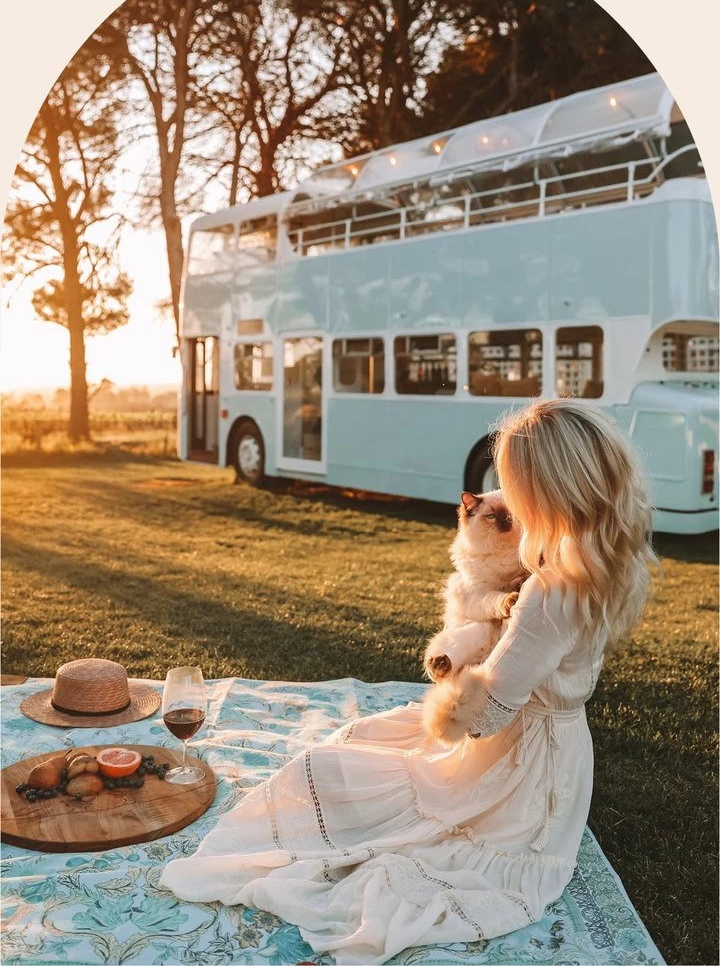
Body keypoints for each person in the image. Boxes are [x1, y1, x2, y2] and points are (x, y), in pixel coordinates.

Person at [160, 399, 657, 966]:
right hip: (553, 749)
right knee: (364, 743)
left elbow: (486, 717)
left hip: (518, 772)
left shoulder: (548, 592)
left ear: (544, 492)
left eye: (515, 487)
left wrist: (461, 659)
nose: (508, 500)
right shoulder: (595, 563)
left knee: (331, 774)